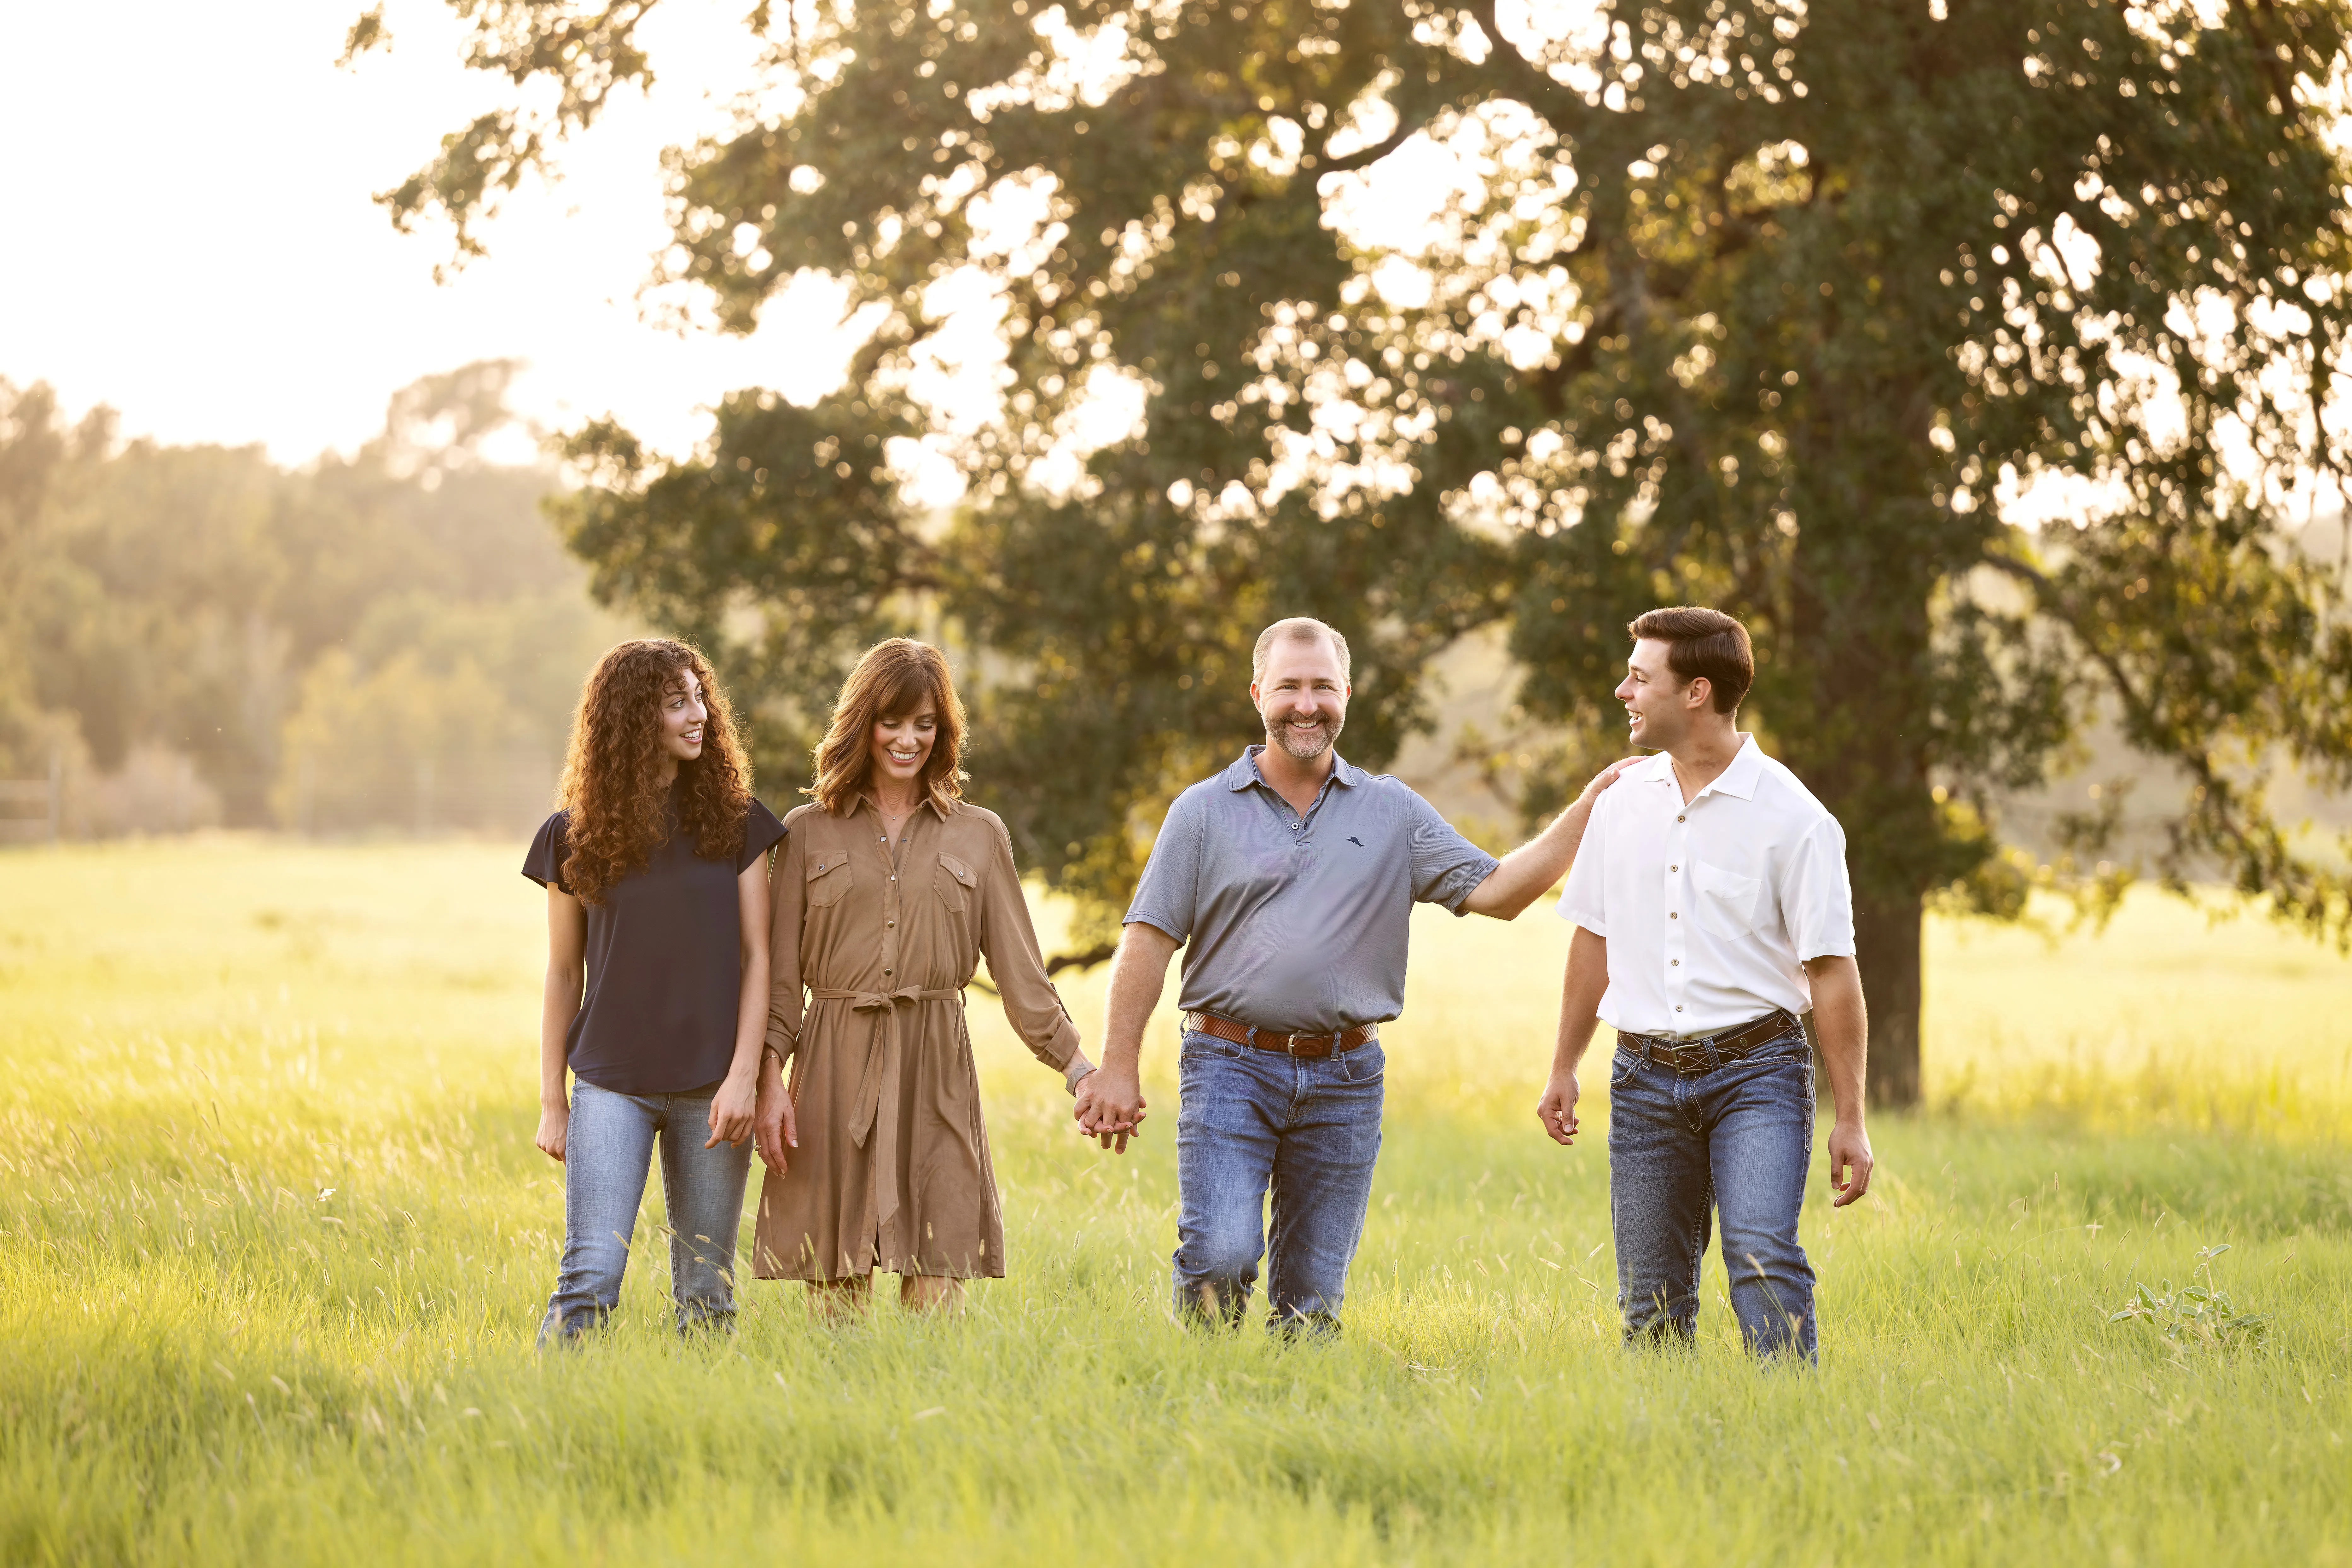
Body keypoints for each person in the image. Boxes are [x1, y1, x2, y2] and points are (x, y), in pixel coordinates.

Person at [1075, 616, 1634, 1332]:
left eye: (1321, 687)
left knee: (1311, 1306)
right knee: (1219, 1257)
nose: (1305, 704)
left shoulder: (1392, 811)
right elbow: (1147, 942)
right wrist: (1119, 1065)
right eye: (1288, 687)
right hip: (1227, 1066)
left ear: (1346, 694)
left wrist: (1586, 812)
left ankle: (1296, 1417)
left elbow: (1497, 892)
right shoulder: (1203, 812)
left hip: (1345, 1081)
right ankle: (1198, 1395)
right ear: (1257, 695)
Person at [1539, 606, 1873, 1362]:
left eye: (1637, 677)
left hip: (1757, 1073)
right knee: (1649, 1297)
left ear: (1695, 692)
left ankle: (1786, 1429)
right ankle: (1664, 1449)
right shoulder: (1618, 805)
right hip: (1643, 1075)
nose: (1623, 691)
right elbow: (1592, 938)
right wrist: (1564, 1065)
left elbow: (1831, 970)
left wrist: (1849, 1115)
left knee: (1761, 1260)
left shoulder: (1795, 819)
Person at [750, 638, 1099, 1313]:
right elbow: (782, 982)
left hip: (936, 1062)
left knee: (940, 1268)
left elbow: (1023, 974)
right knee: (834, 1281)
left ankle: (930, 1407)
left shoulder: (980, 834)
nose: (907, 740)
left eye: (925, 724)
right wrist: (770, 1080)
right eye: (892, 721)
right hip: (833, 1062)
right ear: (862, 722)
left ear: (944, 732)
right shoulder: (803, 834)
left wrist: (1078, 1069)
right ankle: (844, 1414)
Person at [523, 639, 787, 1342]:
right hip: (613, 1086)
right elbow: (562, 973)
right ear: (635, 719)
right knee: (589, 1276)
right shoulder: (572, 835)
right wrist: (555, 1101)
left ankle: (705, 1439)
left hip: (712, 1090)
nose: (698, 714)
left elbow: (759, 956)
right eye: (677, 703)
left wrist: (743, 1081)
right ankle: (554, 1427)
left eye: (699, 696)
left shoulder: (737, 825)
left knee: (707, 1291)